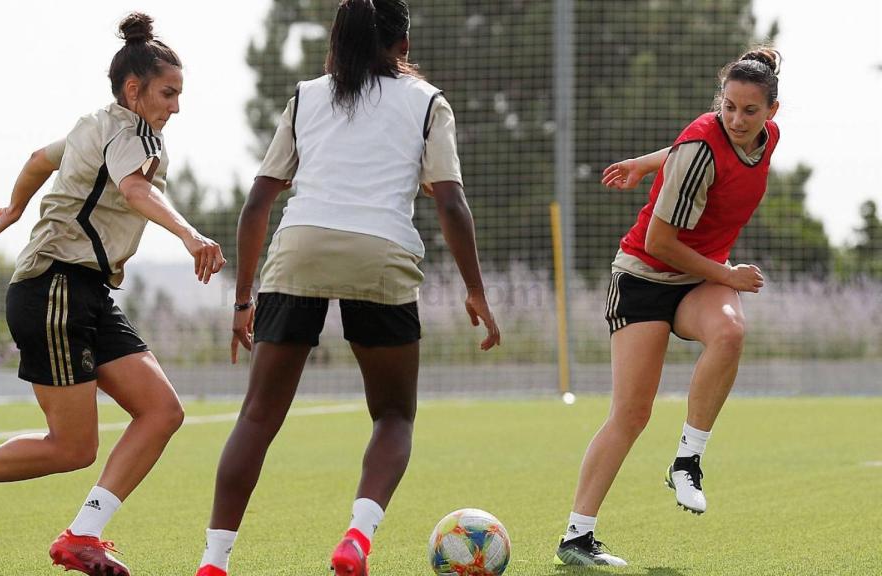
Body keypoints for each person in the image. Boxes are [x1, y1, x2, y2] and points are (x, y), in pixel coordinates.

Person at [0, 13, 225, 576]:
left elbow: (37, 161)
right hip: (56, 289)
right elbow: (135, 187)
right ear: (133, 89)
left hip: (82, 291)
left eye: (179, 94)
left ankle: (83, 535)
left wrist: (12, 212)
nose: (176, 106)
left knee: (161, 411)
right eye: (168, 93)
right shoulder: (131, 133)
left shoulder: (91, 125)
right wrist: (191, 235)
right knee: (71, 448)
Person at [192, 2, 501, 575]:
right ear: (403, 42)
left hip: (300, 246)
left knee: (256, 417)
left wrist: (242, 299)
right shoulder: (428, 102)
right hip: (379, 253)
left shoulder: (306, 96)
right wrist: (476, 290)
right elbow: (452, 202)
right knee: (393, 416)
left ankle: (213, 563)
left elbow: (258, 201)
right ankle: (357, 538)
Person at [553, 47, 782, 566]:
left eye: (750, 110)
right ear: (719, 102)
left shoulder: (764, 141)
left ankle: (687, 461)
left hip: (698, 278)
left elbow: (685, 148)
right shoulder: (705, 142)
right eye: (728, 107)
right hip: (645, 277)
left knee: (730, 332)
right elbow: (659, 240)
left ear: (772, 111)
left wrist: (645, 161)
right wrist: (727, 275)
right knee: (631, 414)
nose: (737, 119)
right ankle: (576, 536)